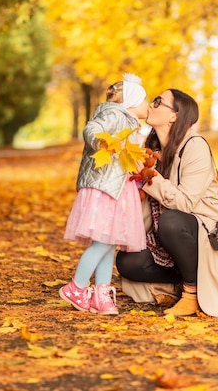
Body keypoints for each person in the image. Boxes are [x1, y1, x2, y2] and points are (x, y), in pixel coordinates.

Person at [115, 89, 218, 317]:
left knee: (171, 220)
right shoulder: (151, 152)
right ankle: (180, 286)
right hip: (169, 241)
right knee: (128, 261)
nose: (151, 104)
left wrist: (151, 178)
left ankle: (191, 294)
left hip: (204, 237)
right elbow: (146, 212)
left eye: (159, 102)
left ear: (174, 116)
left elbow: (185, 203)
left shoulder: (195, 146)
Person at [60, 74, 149, 316]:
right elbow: (91, 129)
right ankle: (76, 287)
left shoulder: (130, 122)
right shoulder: (113, 114)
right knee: (104, 241)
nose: (148, 105)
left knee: (110, 243)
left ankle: (101, 293)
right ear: (130, 102)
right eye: (144, 100)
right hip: (105, 187)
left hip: (119, 188)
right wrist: (103, 143)